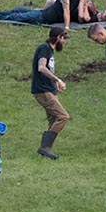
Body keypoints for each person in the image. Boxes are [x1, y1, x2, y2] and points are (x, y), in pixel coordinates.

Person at [33, 26, 70, 159]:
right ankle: (45, 147)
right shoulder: (44, 48)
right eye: (63, 38)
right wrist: (57, 79)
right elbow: (41, 68)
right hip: (43, 91)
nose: (64, 41)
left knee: (54, 118)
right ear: (58, 38)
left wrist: (54, 84)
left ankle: (46, 150)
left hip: (49, 90)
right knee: (63, 116)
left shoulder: (50, 51)